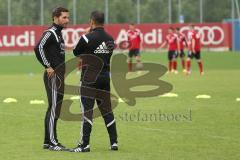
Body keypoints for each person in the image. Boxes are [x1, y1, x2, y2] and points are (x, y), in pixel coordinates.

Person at [71, 11, 118, 152]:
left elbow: (75, 52)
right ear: (103, 21)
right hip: (104, 78)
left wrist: (86, 34)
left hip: (89, 78)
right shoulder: (111, 39)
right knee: (107, 110)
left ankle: (85, 144)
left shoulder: (86, 38)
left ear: (91, 21)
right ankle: (114, 142)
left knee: (87, 111)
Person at [34, 7, 69, 151]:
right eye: (64, 17)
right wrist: (47, 66)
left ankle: (48, 141)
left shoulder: (59, 34)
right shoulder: (51, 33)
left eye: (67, 17)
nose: (67, 20)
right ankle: (53, 143)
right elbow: (38, 48)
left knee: (56, 108)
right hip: (53, 76)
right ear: (55, 18)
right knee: (54, 108)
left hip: (60, 76)